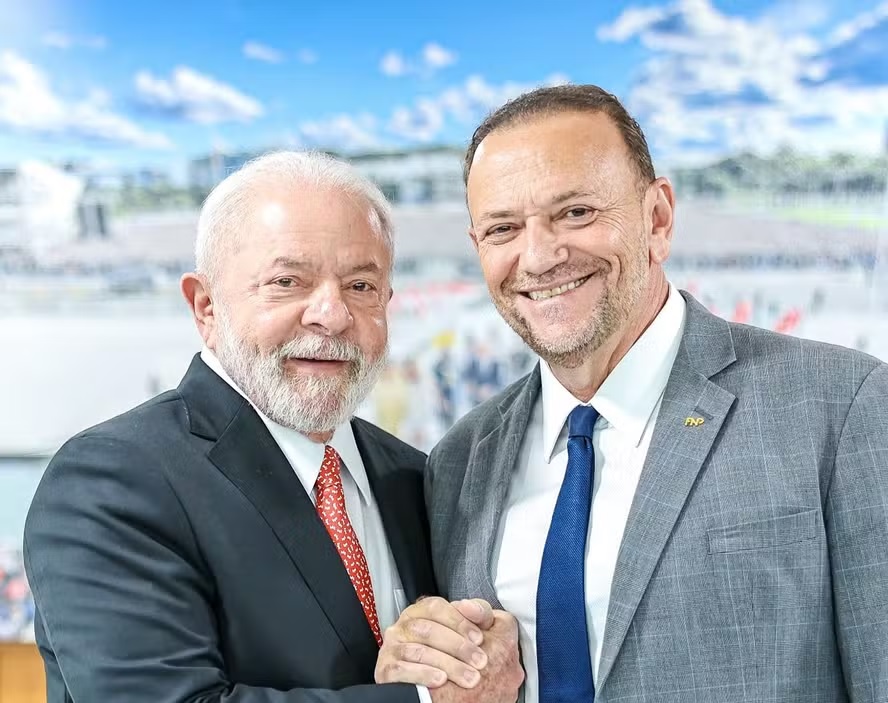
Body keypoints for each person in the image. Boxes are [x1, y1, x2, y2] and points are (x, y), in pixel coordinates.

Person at [379, 85, 888, 702]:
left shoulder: (842, 407)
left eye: (576, 213)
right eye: (503, 228)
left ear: (657, 218)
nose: (537, 257)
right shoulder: (461, 461)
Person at [25, 150, 484, 702]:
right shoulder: (112, 483)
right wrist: (432, 698)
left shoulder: (415, 476)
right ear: (206, 307)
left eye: (361, 286)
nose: (332, 315)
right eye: (287, 281)